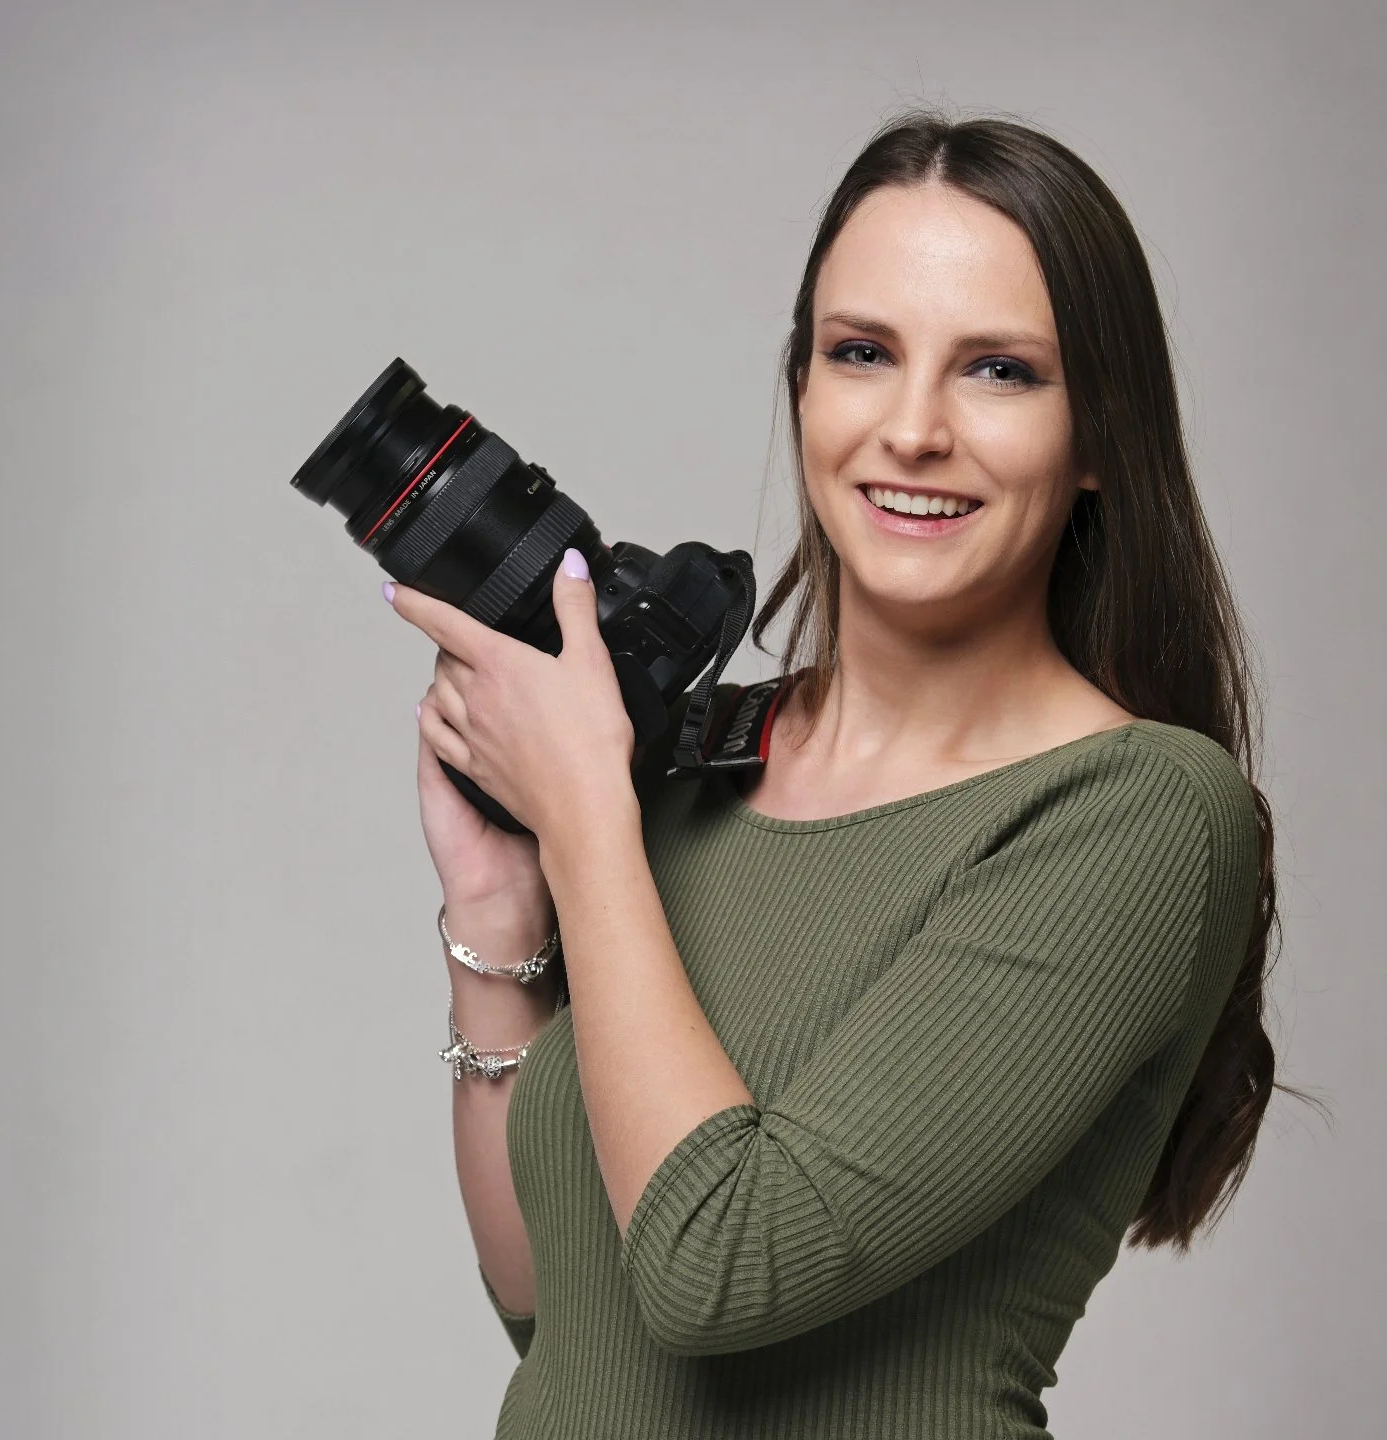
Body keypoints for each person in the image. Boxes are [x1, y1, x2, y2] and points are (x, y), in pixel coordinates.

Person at [383, 109, 1280, 1439]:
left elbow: (719, 1270)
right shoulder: (691, 765)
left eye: (999, 372)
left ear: (1100, 437)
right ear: (805, 387)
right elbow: (554, 1302)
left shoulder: (1136, 814)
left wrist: (582, 822)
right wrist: (498, 914)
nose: (913, 429)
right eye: (863, 354)